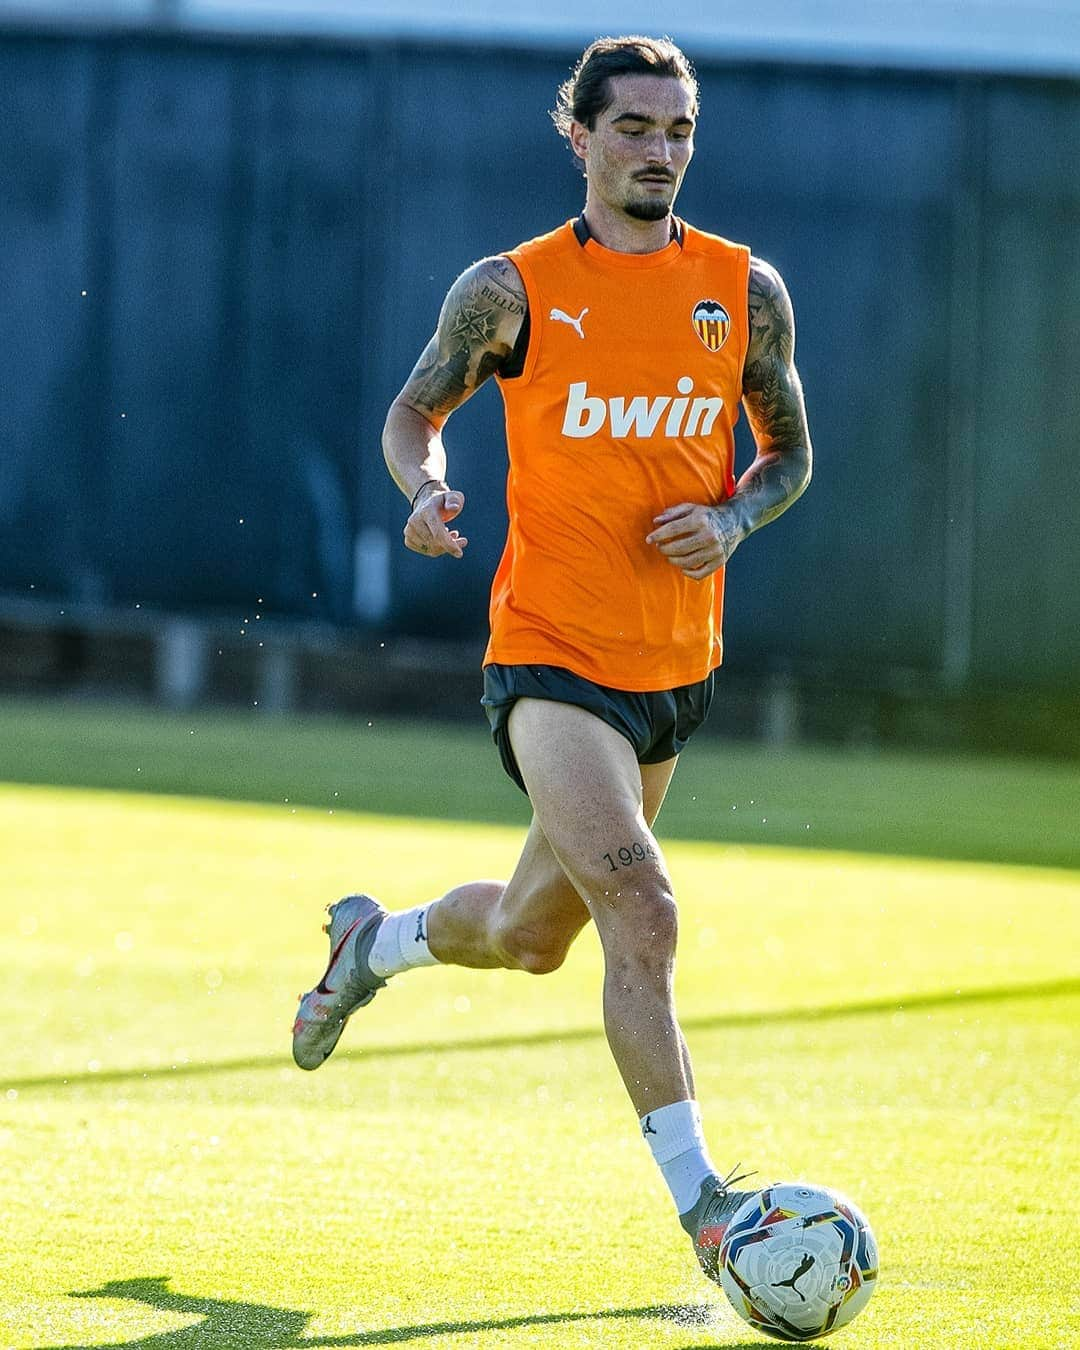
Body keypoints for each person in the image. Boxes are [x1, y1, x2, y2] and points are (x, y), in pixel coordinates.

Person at [292, 34, 812, 1288]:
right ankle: (710, 1217)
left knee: (535, 937)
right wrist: (425, 489)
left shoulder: (743, 290)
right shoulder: (512, 290)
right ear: (576, 134)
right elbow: (415, 412)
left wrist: (735, 515)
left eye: (679, 129)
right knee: (646, 912)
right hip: (550, 658)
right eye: (633, 126)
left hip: (673, 669)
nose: (661, 150)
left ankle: (376, 943)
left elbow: (787, 453)